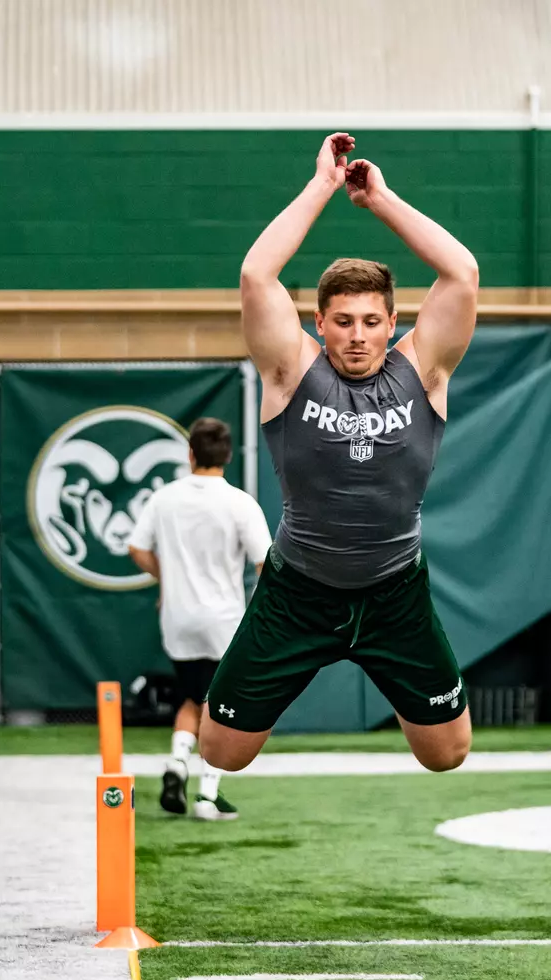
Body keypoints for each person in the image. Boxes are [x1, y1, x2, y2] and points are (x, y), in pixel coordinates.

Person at [201, 133, 478, 774]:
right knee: (223, 752)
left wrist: (379, 199)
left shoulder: (424, 369)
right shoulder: (291, 372)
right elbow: (255, 274)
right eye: (343, 321)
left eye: (372, 320)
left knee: (447, 753)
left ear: (393, 322)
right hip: (299, 591)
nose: (358, 335)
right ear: (319, 324)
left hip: (395, 592)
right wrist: (322, 186)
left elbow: (460, 273)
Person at [126, 418, 271, 821]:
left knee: (193, 697)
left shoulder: (164, 499)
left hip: (177, 618)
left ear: (190, 454)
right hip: (224, 620)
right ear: (227, 456)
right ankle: (207, 795)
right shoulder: (240, 502)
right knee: (221, 705)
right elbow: (266, 564)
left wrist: (167, 579)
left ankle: (176, 763)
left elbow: (136, 549)